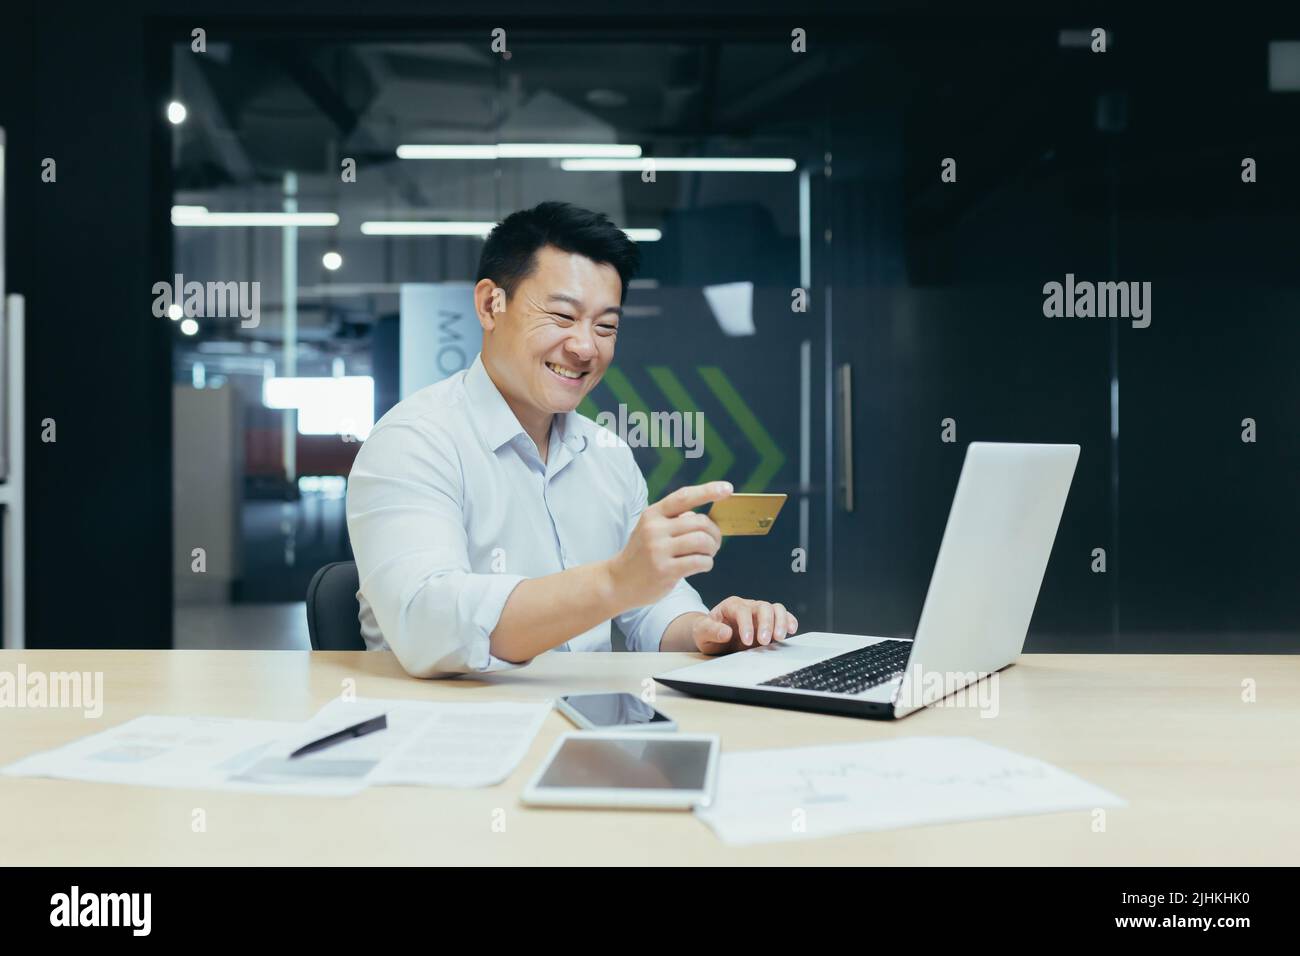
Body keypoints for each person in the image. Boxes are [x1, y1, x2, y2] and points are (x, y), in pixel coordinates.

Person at [346, 201, 797, 677]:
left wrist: (710, 630)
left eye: (606, 326)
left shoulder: (608, 456)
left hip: (590, 729)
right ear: (489, 305)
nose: (585, 347)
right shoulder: (413, 442)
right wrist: (614, 580)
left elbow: (651, 609)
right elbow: (427, 624)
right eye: (562, 316)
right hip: (455, 735)